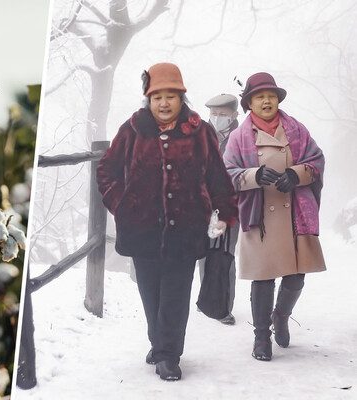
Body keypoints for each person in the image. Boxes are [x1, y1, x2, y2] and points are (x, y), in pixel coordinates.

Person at [96, 63, 237, 381]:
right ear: (148, 98)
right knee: (151, 293)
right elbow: (106, 171)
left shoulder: (200, 131)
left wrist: (224, 212)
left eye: (171, 95)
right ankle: (158, 343)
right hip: (142, 228)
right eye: (157, 96)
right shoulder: (132, 129)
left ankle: (169, 355)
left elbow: (216, 175)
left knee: (175, 293)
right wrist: (122, 204)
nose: (163, 103)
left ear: (182, 97)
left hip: (186, 228)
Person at [224, 72, 325, 361]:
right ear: (249, 103)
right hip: (259, 219)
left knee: (295, 277)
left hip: (295, 213)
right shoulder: (239, 138)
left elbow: (316, 159)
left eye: (271, 95)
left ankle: (281, 316)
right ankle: (261, 338)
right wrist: (254, 175)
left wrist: (296, 174)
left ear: (277, 100)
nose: (266, 100)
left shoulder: (297, 129)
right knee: (263, 278)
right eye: (259, 96)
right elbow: (226, 174)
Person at [197, 94, 240, 325]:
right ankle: (206, 300)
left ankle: (223, 306)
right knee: (202, 252)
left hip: (229, 203)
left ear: (234, 115)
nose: (217, 118)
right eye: (214, 114)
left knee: (225, 254)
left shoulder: (242, 137)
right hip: (203, 203)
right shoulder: (204, 135)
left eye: (222, 114)